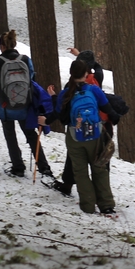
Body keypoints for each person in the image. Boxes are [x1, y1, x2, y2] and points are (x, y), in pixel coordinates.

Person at [49, 59, 116, 215]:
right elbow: (108, 109)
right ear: (86, 74)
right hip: (95, 135)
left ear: (71, 74)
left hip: (75, 137)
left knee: (80, 172)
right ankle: (106, 205)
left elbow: (57, 113)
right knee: (99, 168)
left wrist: (46, 117)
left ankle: (88, 206)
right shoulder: (94, 90)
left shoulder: (66, 93)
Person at [0, 30, 53, 179]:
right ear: (14, 44)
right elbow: (31, 78)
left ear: (2, 46)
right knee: (30, 134)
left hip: (4, 106)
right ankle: (44, 167)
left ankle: (18, 167)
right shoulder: (26, 60)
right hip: (24, 104)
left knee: (10, 134)